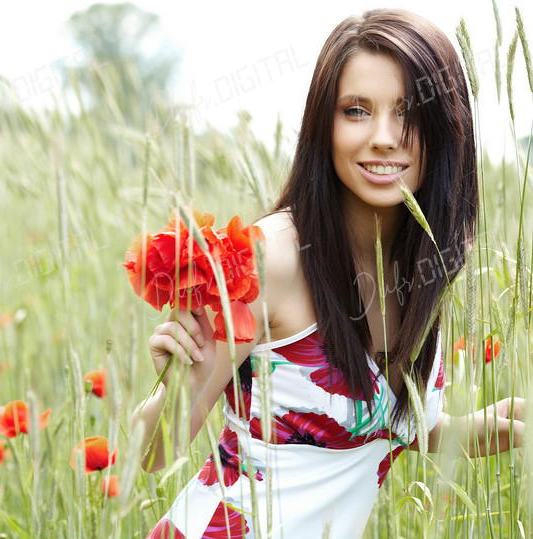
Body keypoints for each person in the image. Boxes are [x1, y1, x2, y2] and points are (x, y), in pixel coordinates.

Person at [132, 9, 526, 539]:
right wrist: (178, 382)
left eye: (406, 111)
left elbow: (381, 420)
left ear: (444, 125)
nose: (384, 138)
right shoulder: (271, 258)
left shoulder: (423, 264)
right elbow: (150, 452)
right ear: (325, 124)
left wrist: (471, 431)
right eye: (357, 110)